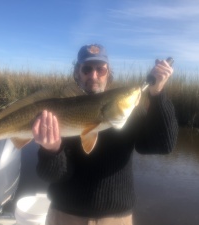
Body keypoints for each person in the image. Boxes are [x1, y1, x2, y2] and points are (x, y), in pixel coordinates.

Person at [31, 44, 178, 225]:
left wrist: (158, 94)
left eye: (100, 69)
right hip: (64, 216)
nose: (94, 76)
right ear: (77, 72)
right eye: (87, 69)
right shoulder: (58, 111)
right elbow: (51, 176)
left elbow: (163, 145)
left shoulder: (131, 112)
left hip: (116, 218)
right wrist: (51, 150)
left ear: (108, 72)